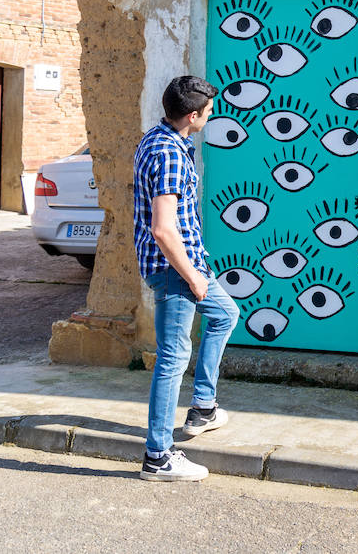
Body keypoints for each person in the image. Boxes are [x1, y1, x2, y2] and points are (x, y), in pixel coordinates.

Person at [132, 75, 239, 481]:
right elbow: (163, 228)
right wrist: (192, 276)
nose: (210, 117)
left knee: (225, 314)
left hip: (188, 264)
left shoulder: (159, 138)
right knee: (172, 359)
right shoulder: (171, 154)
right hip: (177, 270)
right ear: (193, 115)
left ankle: (203, 408)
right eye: (208, 113)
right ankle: (158, 456)